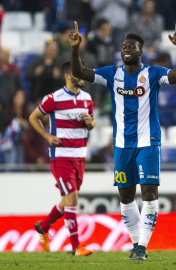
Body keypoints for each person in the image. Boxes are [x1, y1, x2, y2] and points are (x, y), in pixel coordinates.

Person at [69, 21, 176, 260]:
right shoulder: (112, 74)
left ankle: (142, 246)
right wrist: (75, 48)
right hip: (122, 145)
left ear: (140, 51)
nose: (126, 49)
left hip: (148, 142)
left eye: (131, 46)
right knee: (125, 197)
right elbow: (79, 72)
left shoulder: (153, 73)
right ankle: (136, 245)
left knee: (149, 195)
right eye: (124, 46)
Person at [29, 61, 96, 256]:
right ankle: (76, 247)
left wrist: (90, 123)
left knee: (68, 200)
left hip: (80, 157)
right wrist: (47, 137)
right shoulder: (54, 98)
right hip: (61, 157)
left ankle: (44, 225)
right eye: (78, 73)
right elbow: (33, 117)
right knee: (72, 197)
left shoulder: (87, 98)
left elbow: (91, 124)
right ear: (68, 75)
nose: (82, 76)